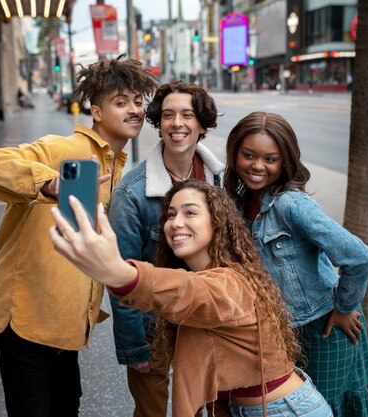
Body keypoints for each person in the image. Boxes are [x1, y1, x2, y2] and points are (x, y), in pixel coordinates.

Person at [0, 55, 158, 417]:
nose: (134, 110)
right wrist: (49, 182)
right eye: (121, 102)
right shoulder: (64, 150)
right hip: (25, 320)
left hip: (64, 326)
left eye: (138, 101)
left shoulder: (114, 166)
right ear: (97, 111)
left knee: (66, 406)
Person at [49, 180, 333, 417]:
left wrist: (121, 273)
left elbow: (188, 291)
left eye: (190, 213)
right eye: (170, 215)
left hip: (286, 410)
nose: (176, 223)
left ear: (217, 222)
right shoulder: (210, 275)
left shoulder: (230, 281)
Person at [223, 111, 368, 417]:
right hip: (280, 332)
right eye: (249, 155)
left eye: (271, 159)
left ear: (285, 162)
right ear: (235, 154)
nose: (258, 166)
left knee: (324, 408)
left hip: (323, 328)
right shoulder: (238, 202)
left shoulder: (291, 205)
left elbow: (361, 258)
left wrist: (344, 307)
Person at [107, 81, 224, 417]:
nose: (177, 123)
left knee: (204, 408)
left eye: (187, 115)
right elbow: (121, 277)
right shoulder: (132, 194)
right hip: (153, 324)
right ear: (158, 121)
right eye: (169, 115)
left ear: (202, 124)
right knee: (152, 412)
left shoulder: (220, 180)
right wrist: (133, 347)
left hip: (206, 317)